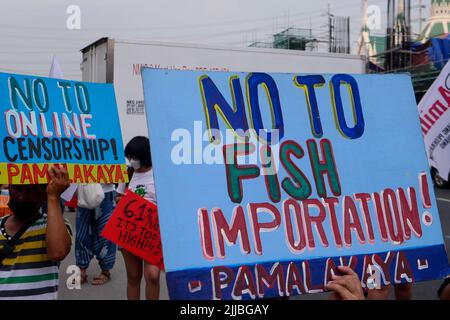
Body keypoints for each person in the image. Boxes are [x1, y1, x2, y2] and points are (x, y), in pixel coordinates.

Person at [0, 166, 72, 300]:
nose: (21, 196)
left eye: (31, 190)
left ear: (43, 195)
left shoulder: (54, 227)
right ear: (9, 187)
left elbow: (58, 252)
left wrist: (53, 197)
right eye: (17, 188)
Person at [116, 136, 160, 300]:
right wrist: (128, 202)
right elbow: (118, 197)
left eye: (134, 157)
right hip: (130, 231)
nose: (131, 160)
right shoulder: (128, 173)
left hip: (152, 232)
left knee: (152, 275)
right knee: (134, 276)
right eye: (129, 157)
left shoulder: (158, 173)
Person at [75, 183, 117, 285]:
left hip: (106, 191)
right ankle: (81, 269)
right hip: (84, 190)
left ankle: (105, 271)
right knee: (82, 232)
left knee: (106, 233)